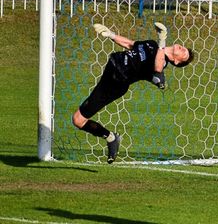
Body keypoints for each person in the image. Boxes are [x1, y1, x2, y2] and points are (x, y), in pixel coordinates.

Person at [71, 22, 194, 164]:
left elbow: (158, 68)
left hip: (116, 83)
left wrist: (162, 41)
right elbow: (130, 44)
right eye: (185, 48)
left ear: (177, 62)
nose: (183, 49)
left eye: (184, 53)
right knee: (78, 120)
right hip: (111, 69)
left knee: (78, 120)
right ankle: (111, 137)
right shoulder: (151, 44)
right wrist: (111, 34)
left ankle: (110, 138)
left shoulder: (162, 62)